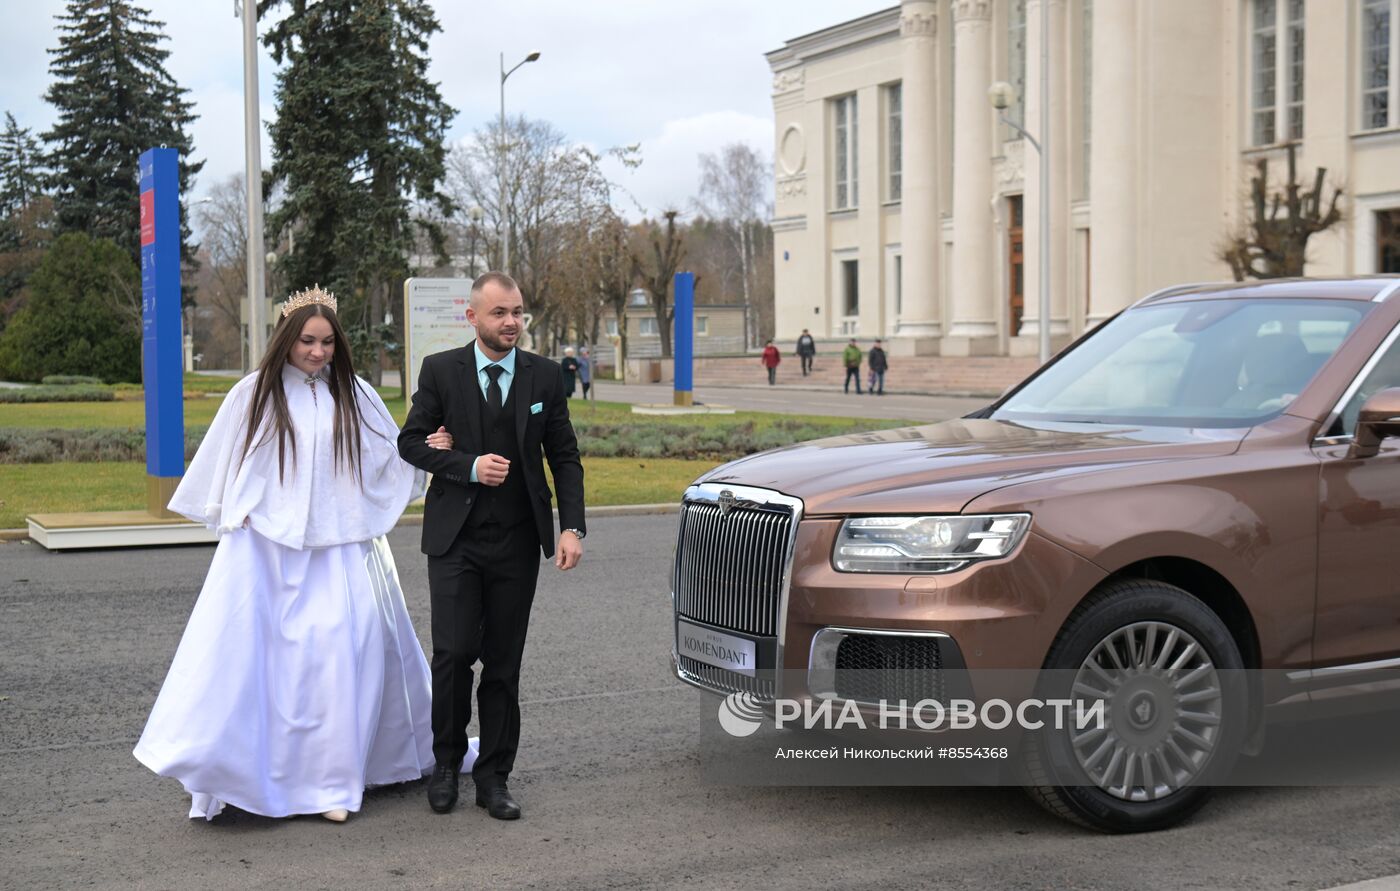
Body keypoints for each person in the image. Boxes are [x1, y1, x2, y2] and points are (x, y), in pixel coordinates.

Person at [134, 286, 458, 823]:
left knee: (345, 655)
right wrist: (235, 513)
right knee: (265, 667)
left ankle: (336, 782)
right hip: (268, 551)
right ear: (286, 339)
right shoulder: (253, 394)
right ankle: (252, 774)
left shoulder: (354, 393)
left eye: (328, 342)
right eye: (308, 340)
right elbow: (227, 464)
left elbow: (385, 457)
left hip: (343, 550)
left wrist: (428, 454)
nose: (318, 352)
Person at [398, 271, 586, 821]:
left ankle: (494, 777)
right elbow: (410, 441)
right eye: (500, 313)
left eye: (518, 312)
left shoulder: (546, 377)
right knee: (453, 656)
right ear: (473, 317)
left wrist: (572, 526)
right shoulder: (441, 371)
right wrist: (466, 466)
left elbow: (565, 457)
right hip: (454, 540)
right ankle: (445, 765)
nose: (511, 322)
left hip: (518, 543)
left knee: (503, 664)